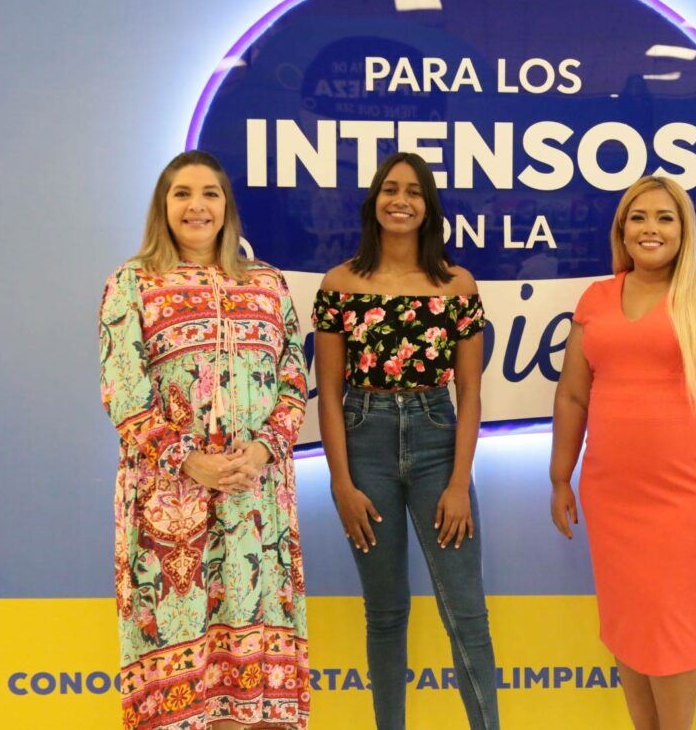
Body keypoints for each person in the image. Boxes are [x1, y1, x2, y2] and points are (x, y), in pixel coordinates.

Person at [99, 150, 310, 729]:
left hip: (256, 503)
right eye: (182, 193)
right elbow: (124, 393)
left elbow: (295, 380)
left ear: (227, 206)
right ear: (163, 207)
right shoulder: (133, 283)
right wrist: (190, 462)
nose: (197, 206)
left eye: (210, 193)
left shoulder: (267, 282)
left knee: (255, 681)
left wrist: (264, 449)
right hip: (171, 507)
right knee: (181, 678)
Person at [550, 175, 696, 730]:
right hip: (611, 496)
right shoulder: (596, 298)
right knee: (628, 631)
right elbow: (573, 394)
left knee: (673, 635)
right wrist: (560, 477)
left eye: (665, 218)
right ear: (622, 230)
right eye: (639, 217)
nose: (651, 228)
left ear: (683, 229)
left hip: (689, 498)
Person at [313, 152, 498, 730]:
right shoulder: (339, 285)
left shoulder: (456, 285)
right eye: (390, 189)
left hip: (437, 438)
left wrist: (459, 483)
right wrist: (341, 485)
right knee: (386, 613)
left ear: (428, 207)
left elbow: (470, 393)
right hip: (363, 440)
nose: (401, 200)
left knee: (465, 612)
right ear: (374, 201)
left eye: (414, 192)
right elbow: (329, 392)